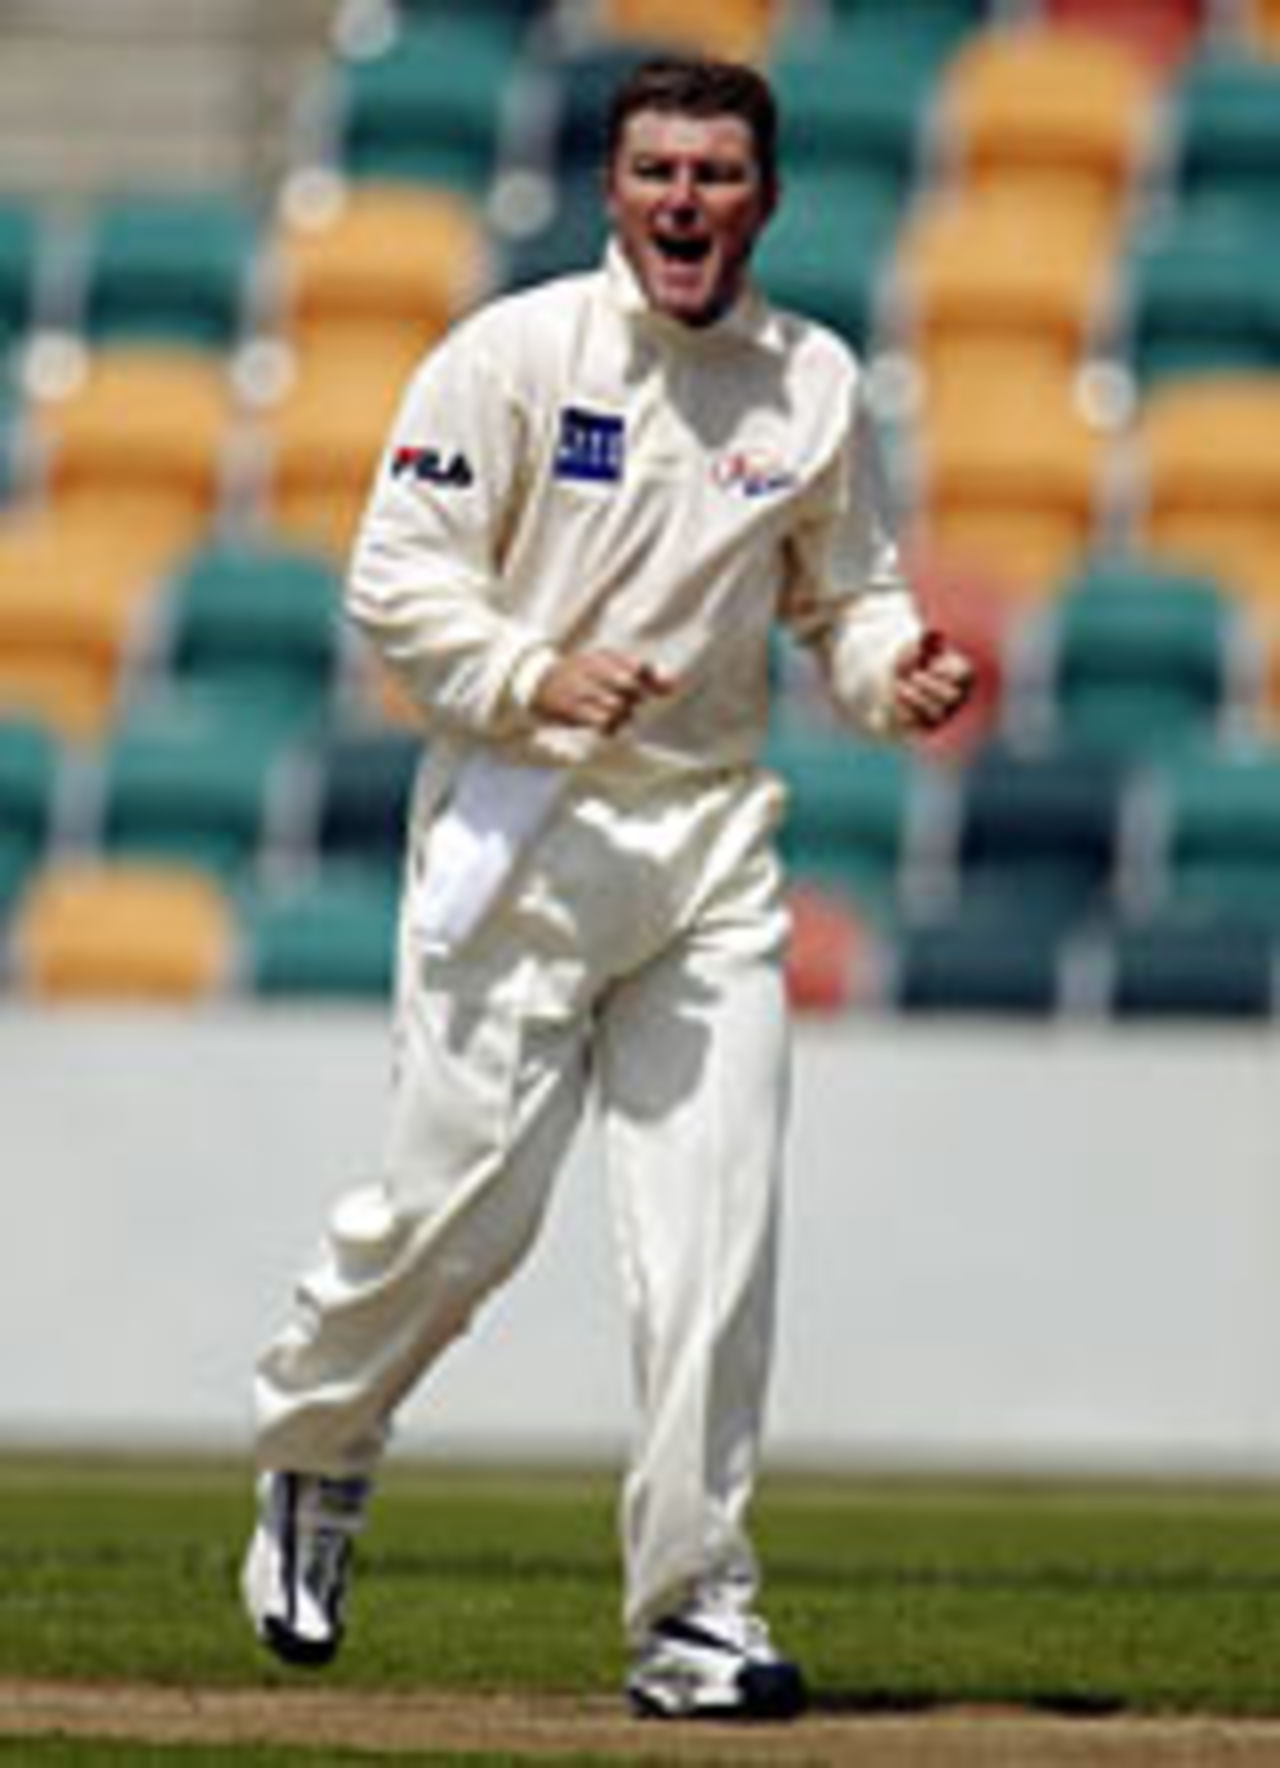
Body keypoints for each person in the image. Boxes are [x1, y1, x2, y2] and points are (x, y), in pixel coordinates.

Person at [241, 54, 973, 1721]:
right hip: (524, 829)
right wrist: (526, 675)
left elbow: (843, 595)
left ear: (766, 200)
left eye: (718, 174)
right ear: (612, 190)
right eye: (656, 171)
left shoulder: (811, 381)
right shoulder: (512, 356)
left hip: (710, 847)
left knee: (713, 1242)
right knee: (460, 1220)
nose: (685, 201)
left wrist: (892, 667)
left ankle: (696, 1609)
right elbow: (394, 574)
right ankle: (316, 1442)